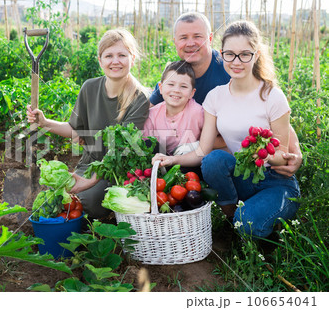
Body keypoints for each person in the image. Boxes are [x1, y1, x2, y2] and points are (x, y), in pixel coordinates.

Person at [152, 20, 300, 239]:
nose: (236, 61)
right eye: (230, 54)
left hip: (274, 180)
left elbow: (281, 156)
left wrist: (261, 151)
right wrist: (170, 159)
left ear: (256, 55)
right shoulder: (216, 97)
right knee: (213, 161)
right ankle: (233, 220)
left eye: (244, 54)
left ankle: (257, 223)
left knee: (250, 225)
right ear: (222, 54)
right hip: (242, 175)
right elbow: (203, 151)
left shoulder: (272, 96)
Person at [150, 12, 302, 177]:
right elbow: (149, 110)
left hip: (229, 151)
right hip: (199, 149)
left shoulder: (231, 67)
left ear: (209, 38)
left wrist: (295, 150)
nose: (190, 43)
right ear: (175, 42)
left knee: (208, 157)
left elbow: (270, 110)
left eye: (197, 36)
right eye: (183, 37)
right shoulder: (176, 75)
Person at [27, 28, 150, 219]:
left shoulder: (140, 98)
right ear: (100, 61)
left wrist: (89, 182)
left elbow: (121, 150)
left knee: (88, 201)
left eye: (121, 55)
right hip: (90, 165)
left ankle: (108, 214)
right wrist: (44, 122)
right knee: (59, 202)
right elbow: (75, 130)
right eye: (108, 55)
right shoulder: (89, 88)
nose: (115, 61)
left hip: (118, 170)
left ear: (132, 59)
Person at [143, 60, 203, 175]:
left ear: (192, 93)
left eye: (183, 86)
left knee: (195, 150)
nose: (176, 90)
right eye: (171, 84)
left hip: (189, 164)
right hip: (160, 162)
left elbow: (207, 145)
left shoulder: (198, 112)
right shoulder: (152, 115)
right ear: (160, 88)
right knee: (149, 144)